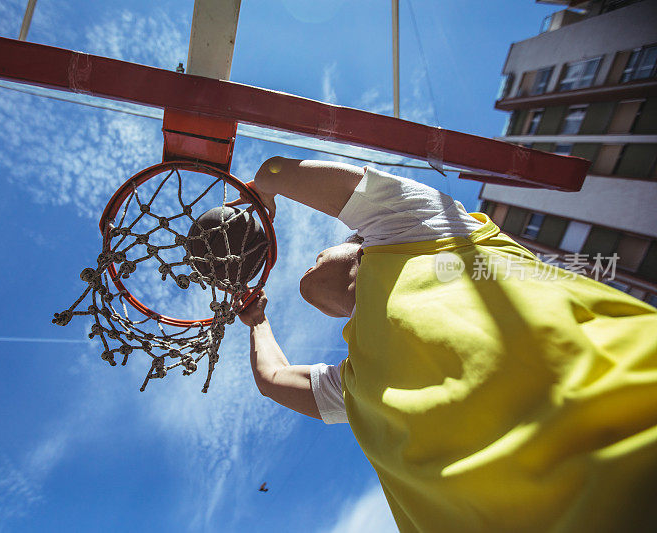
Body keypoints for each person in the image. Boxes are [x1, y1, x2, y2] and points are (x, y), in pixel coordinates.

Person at [235, 156, 657, 532]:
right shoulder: (357, 385)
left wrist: (263, 197)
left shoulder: (419, 227)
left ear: (355, 246)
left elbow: (278, 171)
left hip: (637, 422)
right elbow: (273, 379)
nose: (314, 257)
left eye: (321, 249)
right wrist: (257, 321)